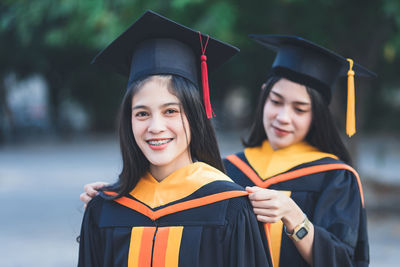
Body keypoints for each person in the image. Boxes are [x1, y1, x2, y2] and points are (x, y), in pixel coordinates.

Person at [81, 33, 375, 267]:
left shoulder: (334, 177)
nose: (283, 117)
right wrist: (113, 199)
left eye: (300, 108)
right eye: (276, 101)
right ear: (263, 97)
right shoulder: (230, 170)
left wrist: (295, 218)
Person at [77, 10, 272, 267]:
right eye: (142, 113)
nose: (156, 127)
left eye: (171, 111)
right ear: (128, 121)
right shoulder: (105, 210)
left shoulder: (230, 208)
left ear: (194, 115)